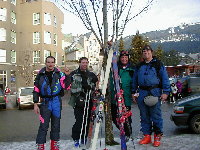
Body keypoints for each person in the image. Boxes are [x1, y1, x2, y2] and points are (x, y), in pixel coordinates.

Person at [132, 45, 170, 147]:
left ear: (151, 52)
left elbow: (165, 78)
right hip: (142, 92)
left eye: (148, 51)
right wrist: (133, 92)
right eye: (144, 52)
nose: (146, 53)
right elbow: (135, 80)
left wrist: (166, 92)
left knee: (156, 115)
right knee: (144, 116)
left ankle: (157, 136)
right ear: (142, 54)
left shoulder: (158, 64)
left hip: (155, 92)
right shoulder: (139, 66)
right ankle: (147, 136)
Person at [33, 56, 71, 150]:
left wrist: (67, 76)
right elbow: (36, 89)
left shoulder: (60, 74)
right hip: (45, 102)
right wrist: (35, 103)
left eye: (52, 62)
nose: (50, 64)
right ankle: (40, 145)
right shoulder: (40, 75)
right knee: (43, 125)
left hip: (56, 102)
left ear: (54, 63)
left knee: (56, 125)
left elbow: (66, 87)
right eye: (48, 62)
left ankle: (54, 145)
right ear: (45, 63)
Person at [68, 57, 98, 147]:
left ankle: (84, 137)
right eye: (83, 62)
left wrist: (93, 87)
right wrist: (82, 88)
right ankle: (76, 138)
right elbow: (71, 88)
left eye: (86, 63)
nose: (84, 64)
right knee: (79, 121)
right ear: (79, 63)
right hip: (78, 101)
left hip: (89, 100)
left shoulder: (91, 74)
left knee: (87, 121)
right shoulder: (74, 74)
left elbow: (96, 86)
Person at [110, 50, 134, 141]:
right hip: (115, 97)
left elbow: (134, 82)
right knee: (114, 117)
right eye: (122, 57)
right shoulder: (115, 68)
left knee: (126, 117)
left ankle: (128, 134)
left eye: (126, 58)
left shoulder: (131, 69)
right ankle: (122, 131)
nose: (124, 59)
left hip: (126, 97)